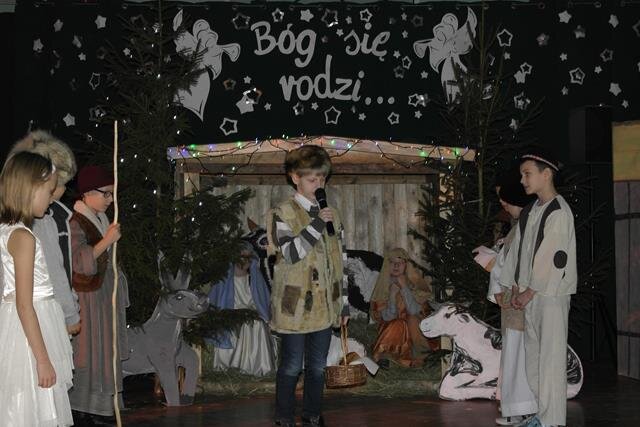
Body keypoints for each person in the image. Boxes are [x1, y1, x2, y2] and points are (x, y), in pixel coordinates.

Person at [266, 145, 349, 427]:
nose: (318, 184)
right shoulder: (282, 213)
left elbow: (340, 261)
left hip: (325, 305)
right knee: (291, 366)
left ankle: (312, 414)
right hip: (295, 307)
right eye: (312, 179)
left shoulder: (332, 214)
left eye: (322, 178)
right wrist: (315, 224)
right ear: (295, 178)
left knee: (317, 367)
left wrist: (343, 303)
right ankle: (284, 416)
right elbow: (290, 253)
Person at [500, 152, 577, 427]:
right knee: (533, 359)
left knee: (550, 361)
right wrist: (512, 286)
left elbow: (553, 258)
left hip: (550, 296)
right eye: (522, 174)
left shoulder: (559, 212)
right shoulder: (532, 210)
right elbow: (517, 251)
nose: (523, 180)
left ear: (546, 174)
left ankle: (552, 421)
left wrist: (529, 292)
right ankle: (541, 415)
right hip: (530, 295)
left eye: (527, 174)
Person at [0, 152, 74, 426]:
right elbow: (24, 304)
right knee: (33, 406)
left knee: (26, 405)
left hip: (26, 326)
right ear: (30, 188)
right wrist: (42, 359)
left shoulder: (8, 229)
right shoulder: (23, 237)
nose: (52, 197)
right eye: (48, 190)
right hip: (31, 332)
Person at [68, 165, 130, 425]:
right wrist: (106, 241)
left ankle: (102, 406)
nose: (110, 199)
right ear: (87, 192)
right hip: (89, 299)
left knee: (106, 351)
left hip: (104, 296)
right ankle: (83, 406)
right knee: (90, 352)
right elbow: (78, 261)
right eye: (106, 193)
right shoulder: (75, 221)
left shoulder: (102, 219)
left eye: (112, 193)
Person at [8, 130, 81, 336]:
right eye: (62, 184)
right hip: (44, 316)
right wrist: (70, 314)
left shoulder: (42, 217)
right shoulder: (42, 223)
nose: (64, 190)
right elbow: (55, 272)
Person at [486, 167, 537, 426]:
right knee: (514, 355)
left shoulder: (528, 224)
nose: (502, 203)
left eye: (504, 197)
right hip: (511, 300)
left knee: (521, 355)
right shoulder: (517, 226)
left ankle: (525, 410)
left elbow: (527, 264)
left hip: (521, 300)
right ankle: (517, 409)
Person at [208, 242, 276, 376]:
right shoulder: (224, 279)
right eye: (242, 257)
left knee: (256, 324)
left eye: (249, 258)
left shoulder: (254, 278)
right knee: (240, 325)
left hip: (251, 313)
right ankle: (233, 366)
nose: (246, 261)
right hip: (230, 312)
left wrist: (265, 316)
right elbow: (214, 299)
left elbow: (262, 300)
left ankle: (256, 368)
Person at [370, 248, 432, 368]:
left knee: (412, 320)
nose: (396, 265)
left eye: (400, 262)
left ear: (406, 265)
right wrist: (392, 295)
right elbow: (388, 317)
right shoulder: (384, 287)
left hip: (415, 329)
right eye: (392, 262)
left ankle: (421, 355)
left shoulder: (414, 285)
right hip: (393, 328)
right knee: (398, 324)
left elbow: (414, 311)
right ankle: (387, 355)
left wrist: (404, 287)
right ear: (387, 265)